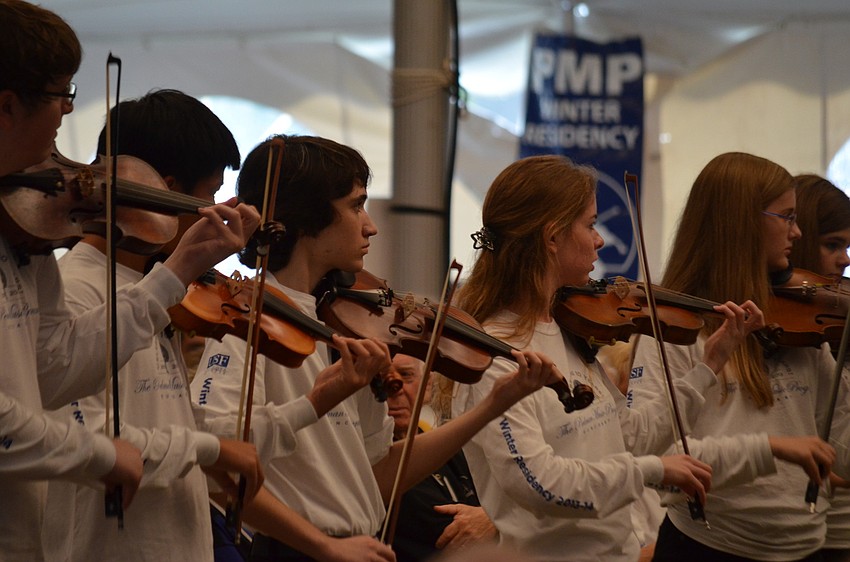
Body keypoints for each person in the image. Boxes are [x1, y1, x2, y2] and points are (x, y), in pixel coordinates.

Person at [446, 154, 836, 561]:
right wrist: (656, 470)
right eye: (591, 224)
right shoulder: (499, 354)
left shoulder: (568, 330)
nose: (599, 240)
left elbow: (631, 436)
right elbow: (543, 486)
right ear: (552, 237)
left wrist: (709, 365)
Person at [191, 134, 563, 562]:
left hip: (357, 547)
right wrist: (324, 546)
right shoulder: (249, 320)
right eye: (355, 205)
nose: (370, 225)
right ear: (309, 214)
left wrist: (493, 404)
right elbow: (218, 462)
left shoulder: (341, 324)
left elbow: (380, 472)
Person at [0, 2, 261, 560]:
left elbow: (55, 368)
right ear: (7, 106)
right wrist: (101, 454)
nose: (66, 118)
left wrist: (175, 273)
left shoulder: (28, 236)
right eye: (60, 97)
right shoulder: (73, 269)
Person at [43, 89, 265, 562]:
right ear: (164, 191)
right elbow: (86, 439)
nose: (216, 213)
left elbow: (154, 424)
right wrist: (210, 450)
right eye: (208, 196)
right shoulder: (76, 289)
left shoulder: (155, 287)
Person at [630, 153, 850, 561]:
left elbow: (842, 452)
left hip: (806, 547)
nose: (798, 233)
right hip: (711, 546)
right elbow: (658, 462)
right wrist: (769, 447)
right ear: (743, 222)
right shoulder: (675, 329)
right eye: (787, 217)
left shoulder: (800, 324)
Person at [789, 173, 850, 562]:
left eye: (847, 246)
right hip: (809, 534)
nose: (845, 259)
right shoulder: (784, 331)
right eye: (833, 245)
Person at [386, 354, 497, 561]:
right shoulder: (378, 461)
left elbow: (490, 504)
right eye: (380, 377)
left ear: (427, 384)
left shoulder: (449, 448)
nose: (394, 386)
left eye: (406, 375)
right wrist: (495, 519)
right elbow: (449, 534)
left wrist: (491, 520)